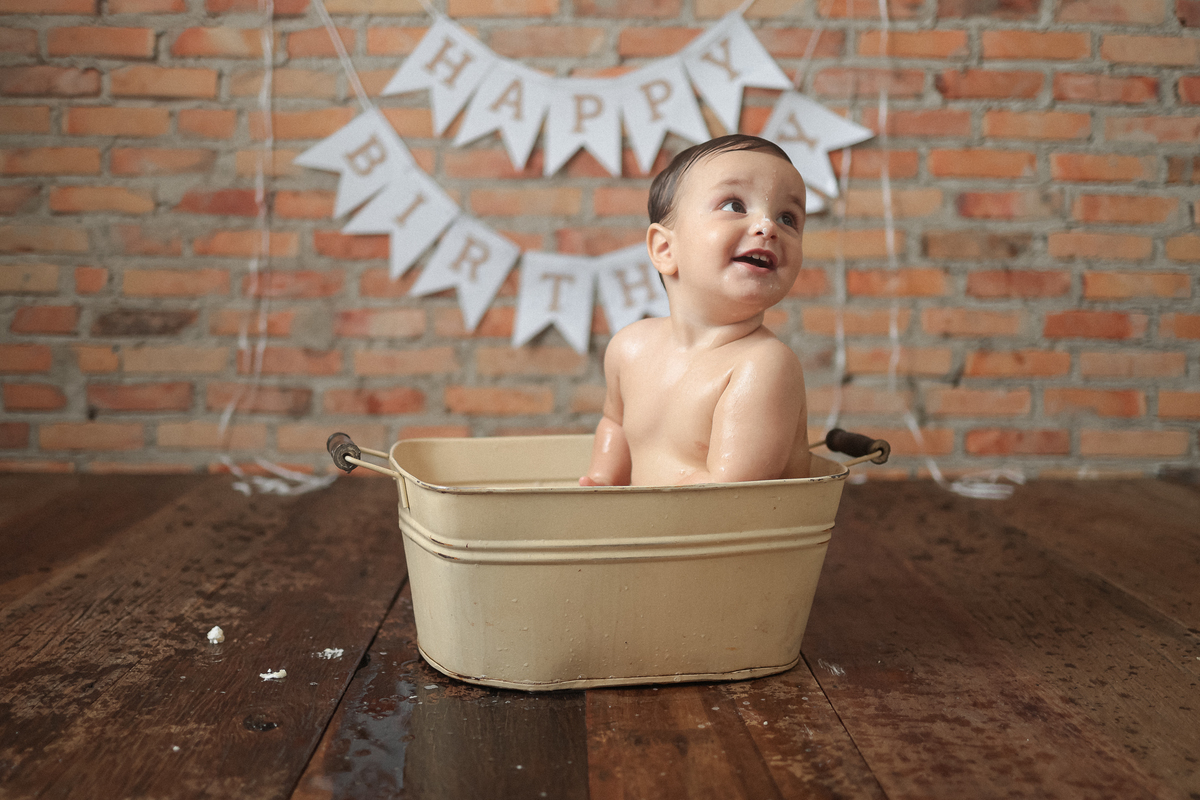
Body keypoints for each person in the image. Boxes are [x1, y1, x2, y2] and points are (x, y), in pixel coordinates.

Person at [580, 134, 810, 487]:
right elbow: (615, 425)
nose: (768, 226)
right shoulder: (629, 348)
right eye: (735, 205)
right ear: (665, 249)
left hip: (728, 525)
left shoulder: (763, 365)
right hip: (654, 521)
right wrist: (602, 479)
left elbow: (730, 493)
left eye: (788, 218)